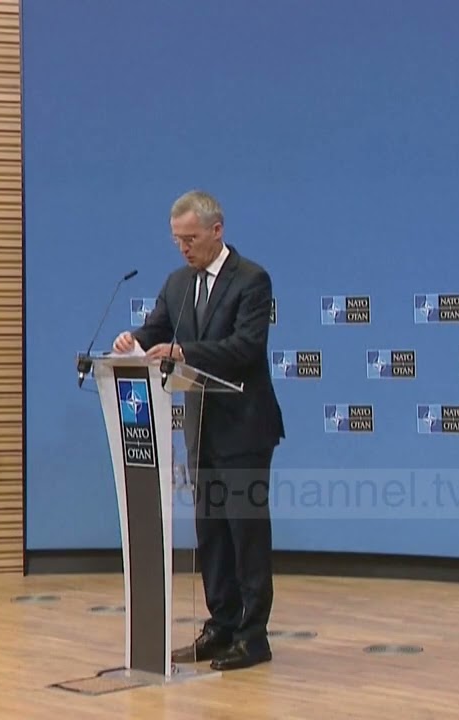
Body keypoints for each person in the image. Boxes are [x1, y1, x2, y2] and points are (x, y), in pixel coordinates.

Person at [113, 190, 284, 671]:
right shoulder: (177, 283)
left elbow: (246, 347)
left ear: (216, 230)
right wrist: (132, 340)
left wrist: (185, 352)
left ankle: (253, 636)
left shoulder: (251, 279)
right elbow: (156, 330)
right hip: (201, 426)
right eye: (176, 240)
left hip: (244, 428)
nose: (183, 247)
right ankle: (221, 625)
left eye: (190, 238)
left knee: (245, 533)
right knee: (210, 532)